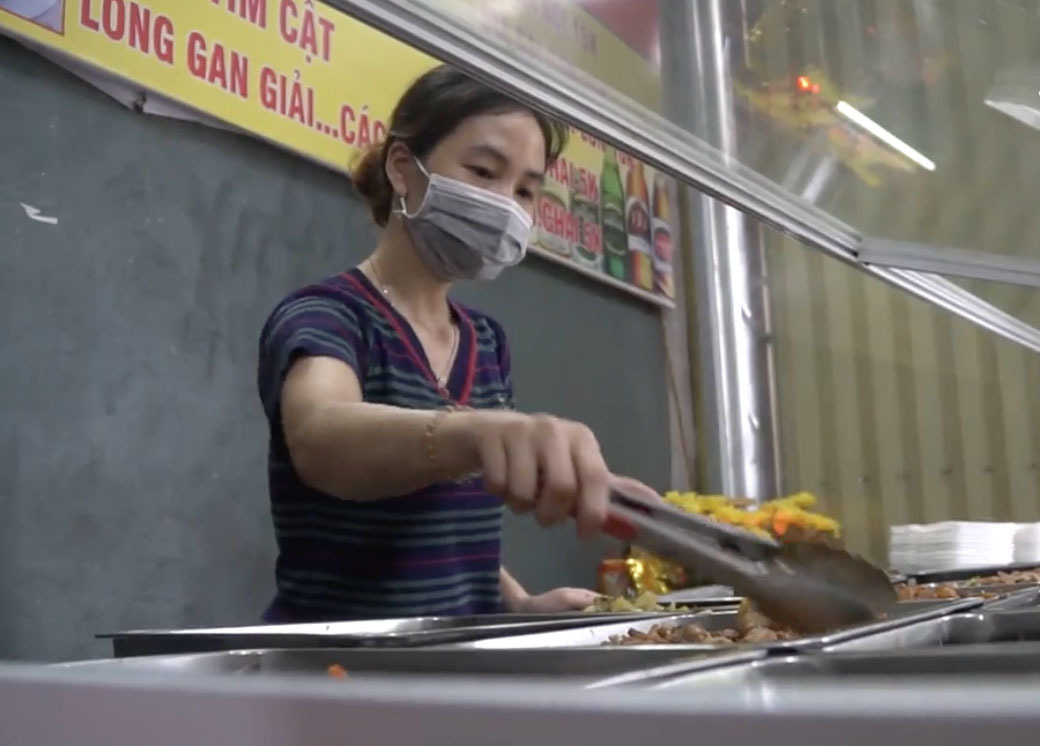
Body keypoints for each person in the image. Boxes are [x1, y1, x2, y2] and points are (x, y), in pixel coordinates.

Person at [257, 64, 657, 623]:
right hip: (342, 663)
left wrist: (518, 603)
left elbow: (447, 526)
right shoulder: (329, 315)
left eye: (525, 190)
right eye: (484, 171)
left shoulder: (485, 341)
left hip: (454, 657)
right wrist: (478, 433)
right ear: (403, 168)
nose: (506, 205)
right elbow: (321, 437)